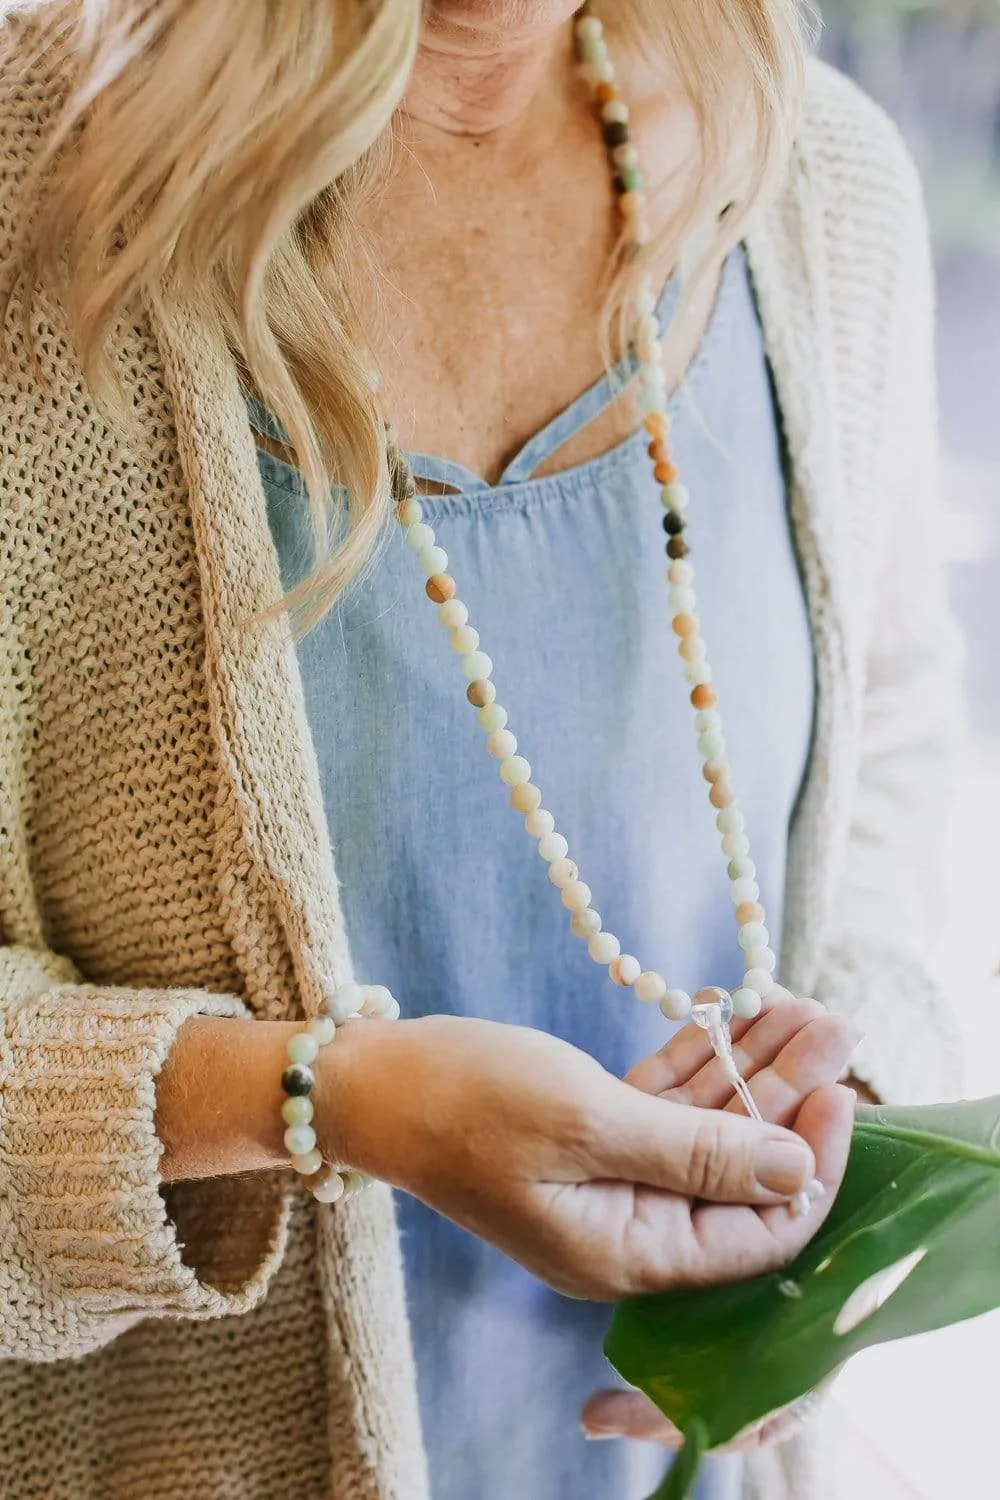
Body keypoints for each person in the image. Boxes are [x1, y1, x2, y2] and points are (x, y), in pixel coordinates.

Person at [0, 2, 963, 1499]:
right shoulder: (28, 197)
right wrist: (325, 1098)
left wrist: (853, 1131)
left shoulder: (821, 184)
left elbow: (892, 729)